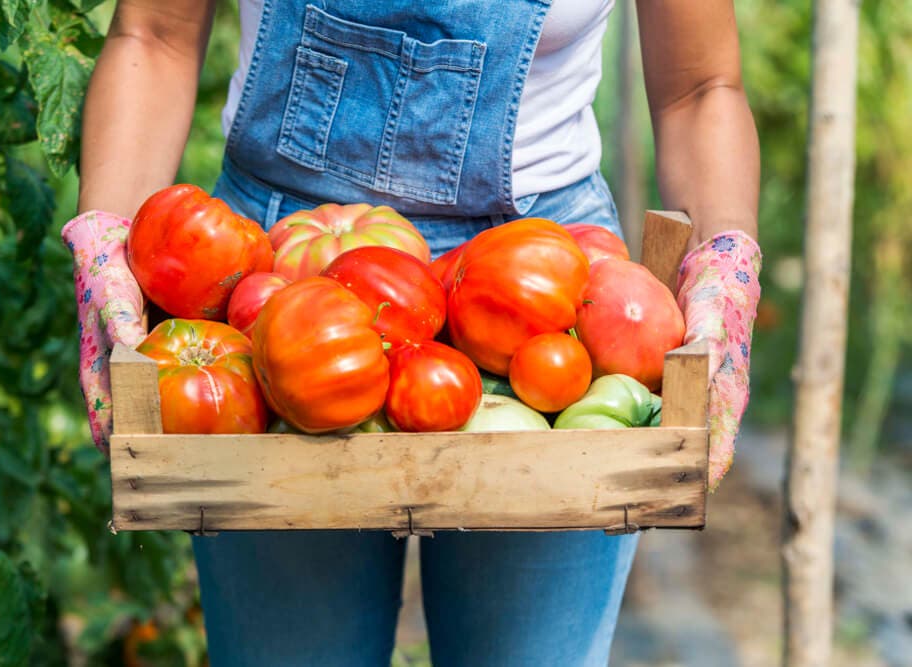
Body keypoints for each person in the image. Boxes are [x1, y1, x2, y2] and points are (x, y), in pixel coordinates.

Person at [62, 1, 762, 664]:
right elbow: (154, 33)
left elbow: (700, 88)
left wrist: (725, 268)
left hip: (550, 286)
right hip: (273, 284)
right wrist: (109, 239)